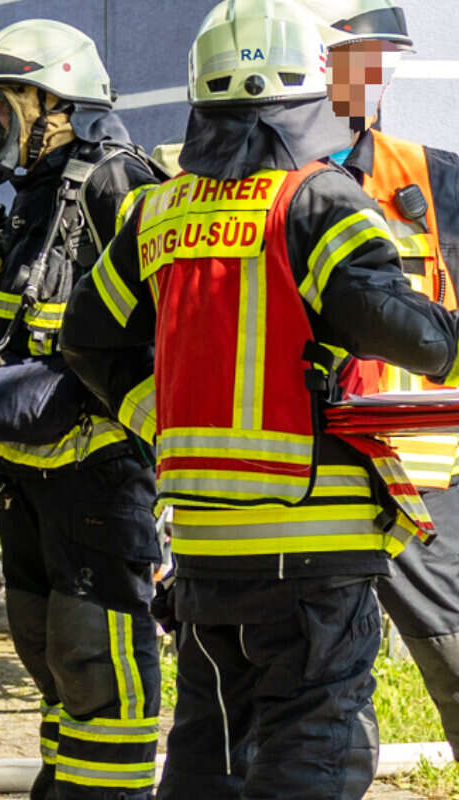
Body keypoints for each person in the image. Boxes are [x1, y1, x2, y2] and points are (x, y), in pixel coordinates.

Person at [59, 1, 459, 796]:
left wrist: (162, 424)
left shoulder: (158, 209)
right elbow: (406, 332)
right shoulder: (315, 197)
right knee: (311, 749)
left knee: (211, 752)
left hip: (208, 547)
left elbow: (86, 342)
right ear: (311, 92)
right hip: (316, 534)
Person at [0, 19, 164, 800]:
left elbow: (151, 328)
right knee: (45, 645)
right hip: (28, 472)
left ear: (53, 102)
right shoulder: (31, 199)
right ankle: (66, 785)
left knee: (98, 657)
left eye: (2, 105)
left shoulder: (113, 183)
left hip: (97, 466)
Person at [308, 0, 459, 760]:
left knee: (455, 653)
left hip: (418, 474)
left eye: (380, 67)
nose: (369, 84)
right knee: (312, 692)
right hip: (303, 472)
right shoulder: (263, 188)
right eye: (352, 64)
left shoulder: (430, 177)